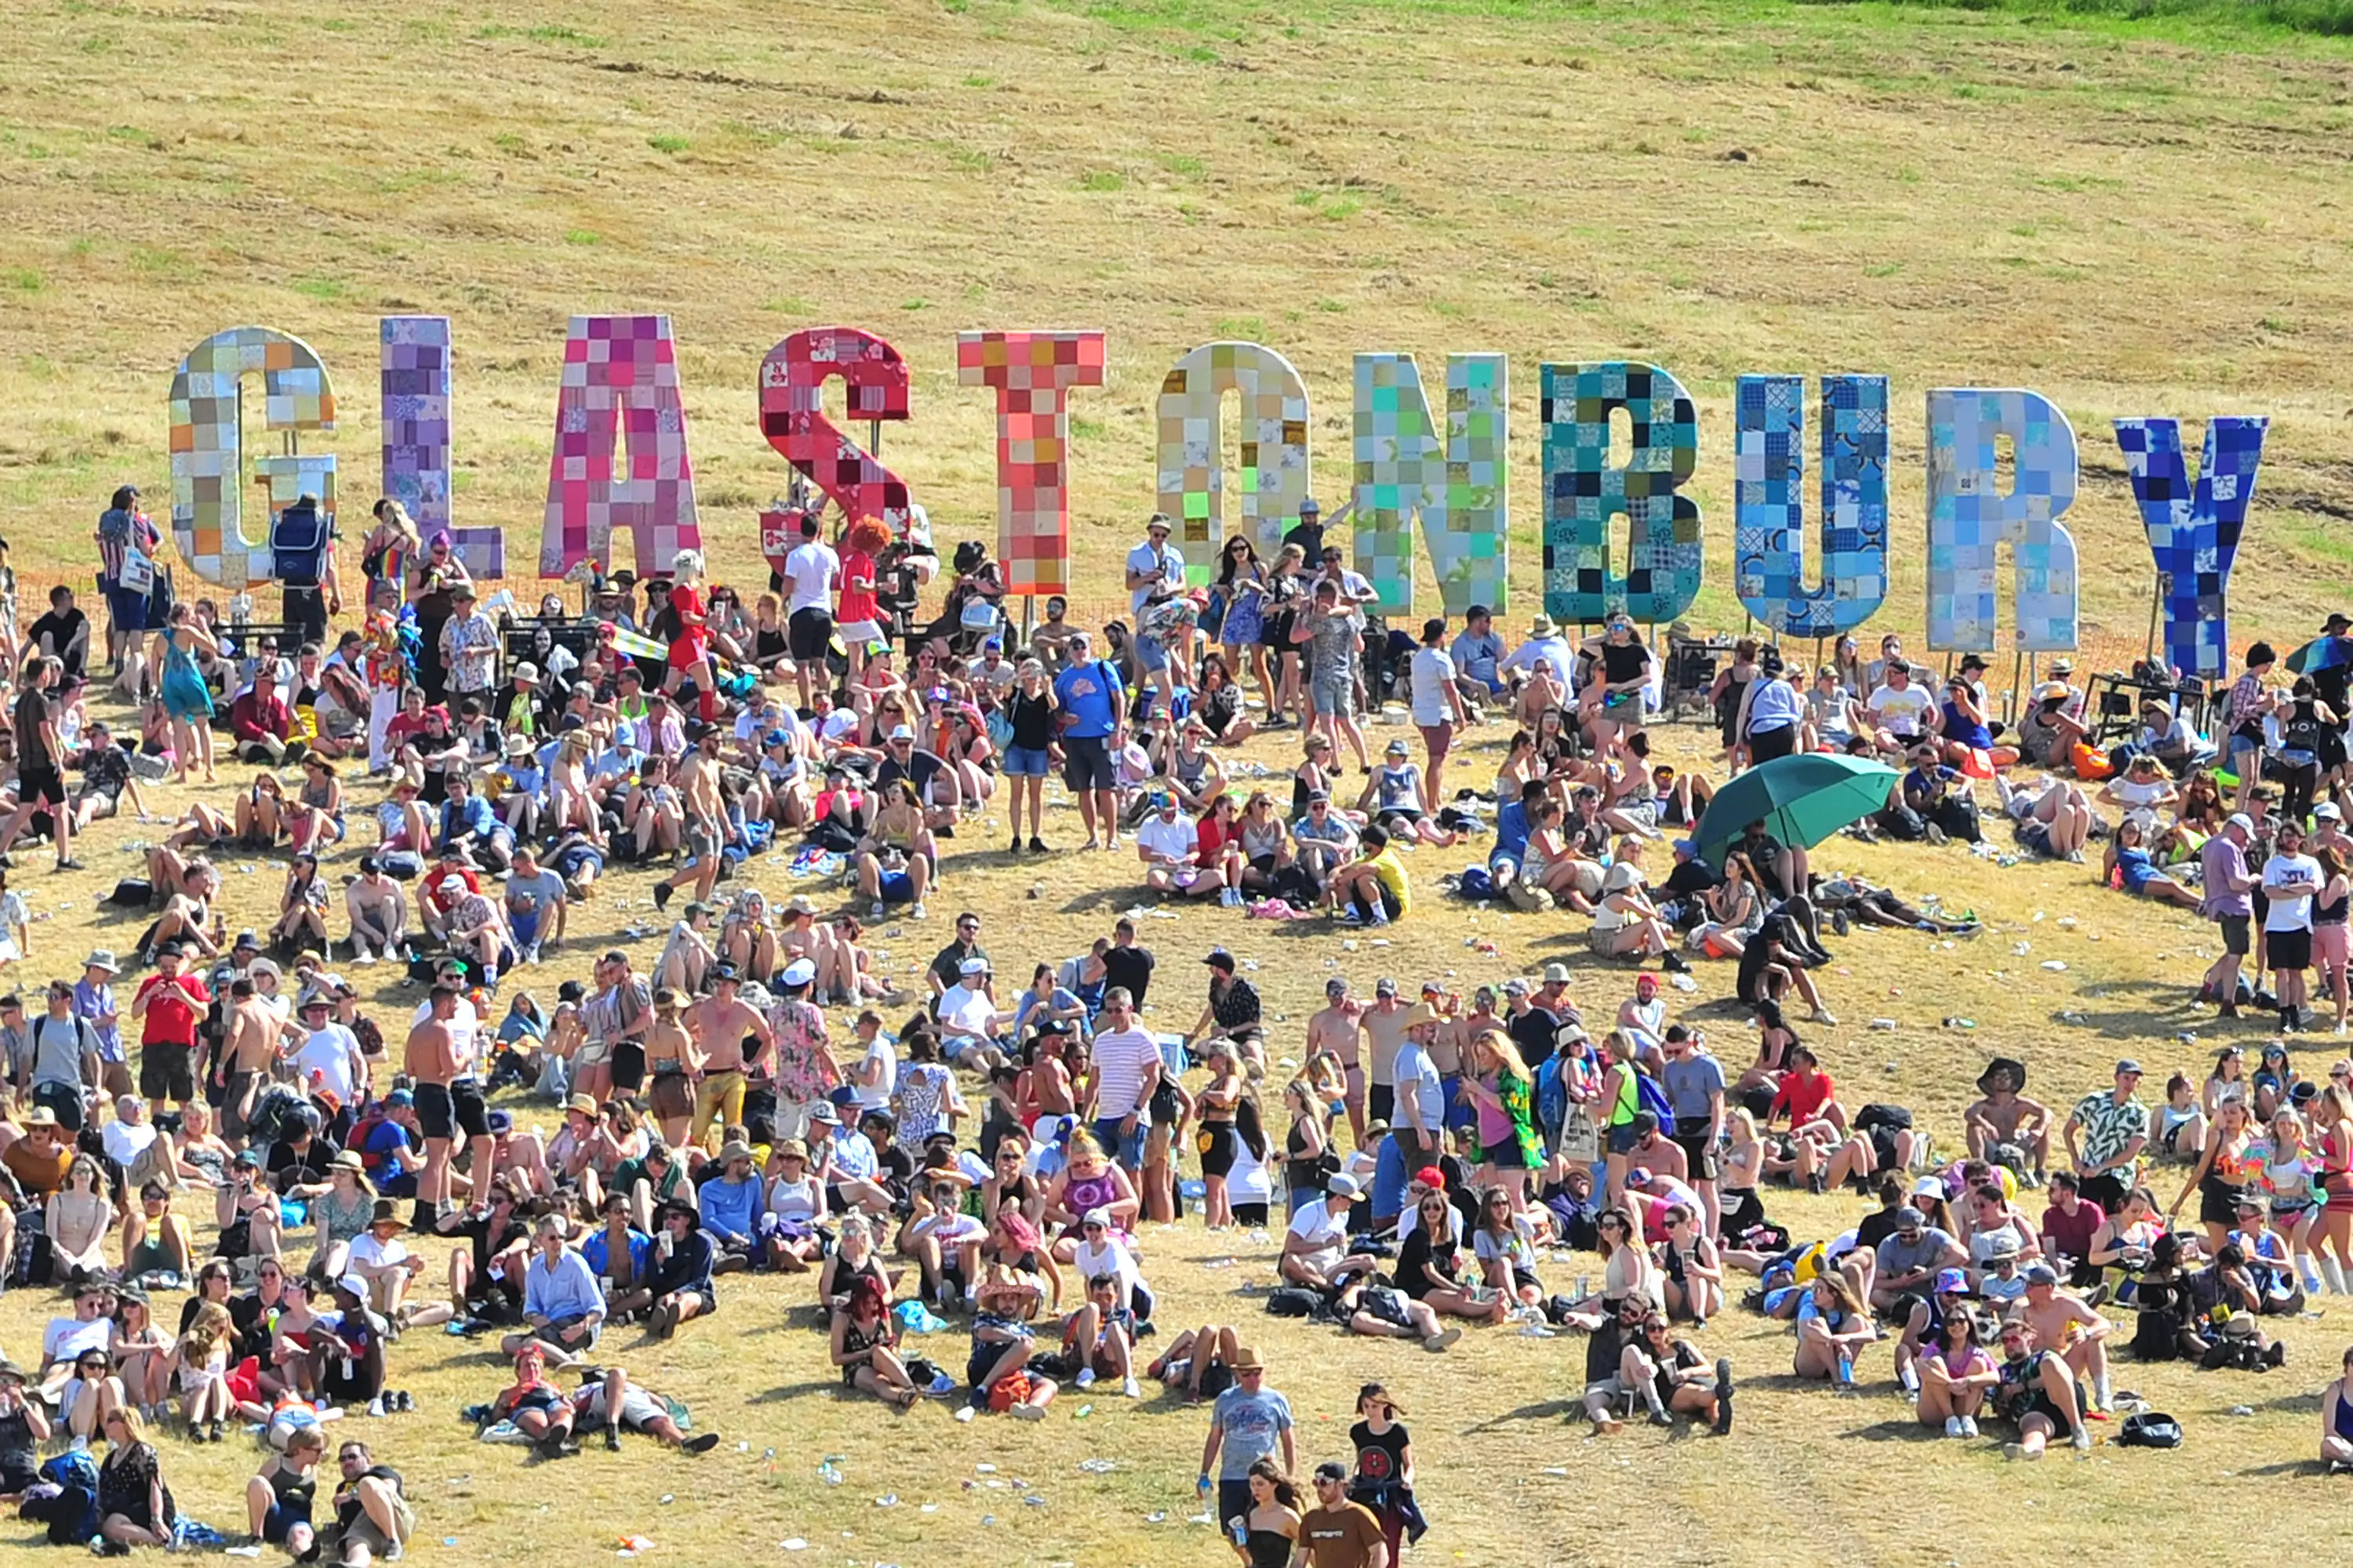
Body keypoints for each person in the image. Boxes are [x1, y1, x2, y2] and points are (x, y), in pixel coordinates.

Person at [1201, 1348, 1296, 1530]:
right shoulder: (1225, 1400)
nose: (1252, 1379)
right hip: (1232, 1475)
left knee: (1266, 1528)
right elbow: (1214, 1438)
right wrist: (1204, 1472)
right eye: (1246, 1374)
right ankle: (1249, 1561)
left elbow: (1288, 1439)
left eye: (1257, 1373)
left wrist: (1291, 1475)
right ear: (1237, 1373)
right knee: (1232, 1530)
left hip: (1265, 1477)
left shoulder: (1276, 1400)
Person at [1291, 1460, 1388, 1568]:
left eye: (1324, 1483)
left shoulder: (1359, 1515)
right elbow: (1300, 1559)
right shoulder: (1311, 1519)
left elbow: (1380, 1554)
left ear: (1340, 1484)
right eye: (1316, 1483)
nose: (1319, 1488)